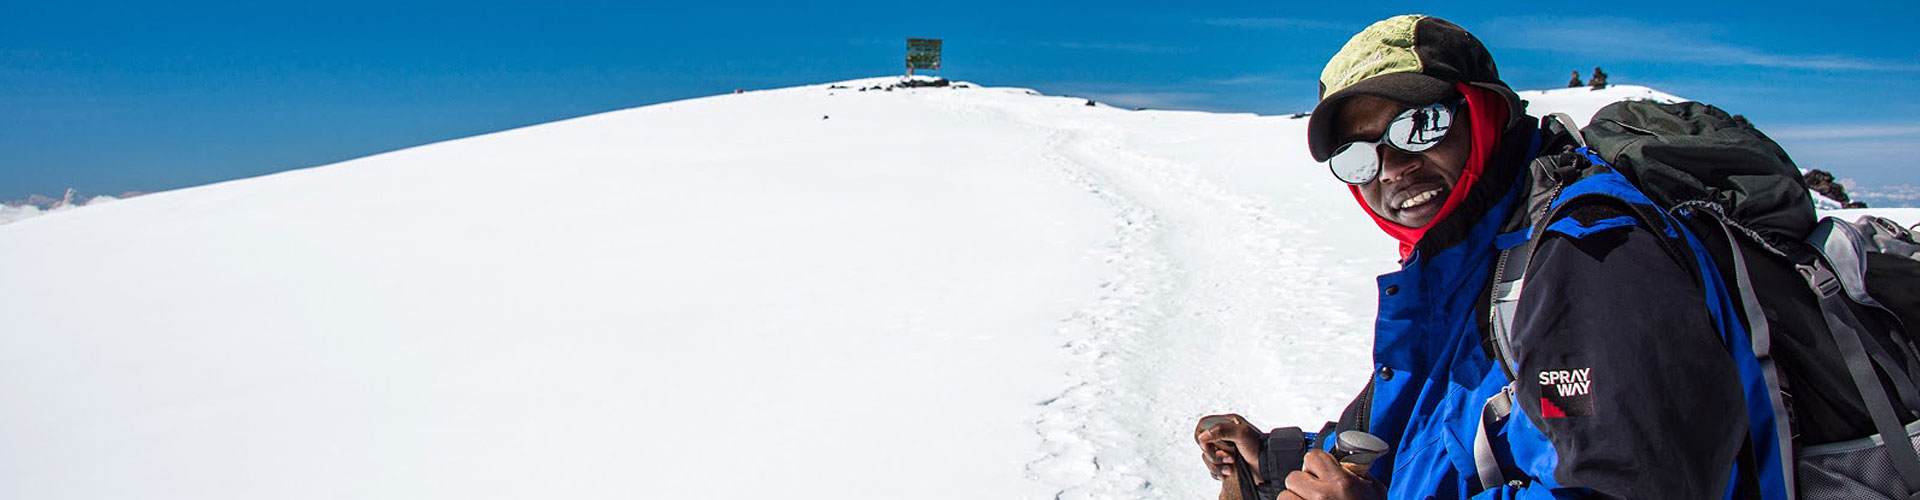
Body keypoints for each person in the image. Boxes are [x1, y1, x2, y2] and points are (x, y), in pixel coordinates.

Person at [1195, 15, 1754, 499]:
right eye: (1361, 156)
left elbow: (1627, 486)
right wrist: (1275, 460)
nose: (1392, 169)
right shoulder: (1469, 264)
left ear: (1482, 110)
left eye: (1417, 126)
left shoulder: (1590, 255)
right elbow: (1418, 438)